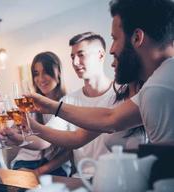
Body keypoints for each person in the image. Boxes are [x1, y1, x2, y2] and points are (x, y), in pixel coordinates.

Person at [27, 0, 174, 144]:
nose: (112, 50)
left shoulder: (158, 87)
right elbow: (111, 118)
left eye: (115, 39)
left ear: (137, 37)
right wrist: (51, 107)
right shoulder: (157, 83)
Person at [5, 32, 146, 176]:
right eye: (72, 57)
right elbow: (50, 141)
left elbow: (106, 121)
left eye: (81, 55)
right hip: (80, 178)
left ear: (101, 55)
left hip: (117, 179)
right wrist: (18, 137)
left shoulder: (124, 94)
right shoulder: (68, 101)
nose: (75, 62)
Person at [8, 51, 72, 176]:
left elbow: (69, 151)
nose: (40, 79)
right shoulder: (29, 104)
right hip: (25, 162)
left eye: (46, 72)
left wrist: (39, 171)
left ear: (58, 72)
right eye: (36, 74)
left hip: (54, 166)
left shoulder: (68, 105)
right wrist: (5, 131)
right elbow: (12, 133)